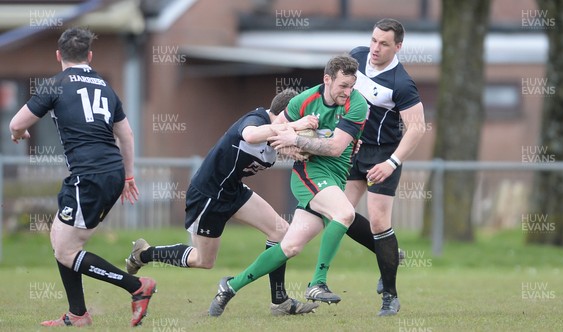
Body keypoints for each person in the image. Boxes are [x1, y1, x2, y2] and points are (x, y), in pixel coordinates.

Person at [124, 88, 320, 316]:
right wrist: (293, 127)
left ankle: (280, 302)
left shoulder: (277, 132)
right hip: (208, 195)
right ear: (287, 113)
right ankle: (144, 253)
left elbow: (278, 144)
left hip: (233, 191)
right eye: (297, 115)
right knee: (204, 260)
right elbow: (250, 135)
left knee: (280, 231)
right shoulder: (257, 120)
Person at [8, 27, 156, 327]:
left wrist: (19, 132)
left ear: (58, 55)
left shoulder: (55, 85)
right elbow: (125, 134)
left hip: (90, 175)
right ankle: (78, 313)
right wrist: (129, 176)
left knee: (65, 249)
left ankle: (136, 286)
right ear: (90, 55)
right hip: (109, 172)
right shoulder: (104, 85)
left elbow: (16, 123)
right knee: (61, 241)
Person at [208, 54, 368, 317]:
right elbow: (275, 131)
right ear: (327, 80)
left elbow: (336, 148)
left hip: (335, 176)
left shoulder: (357, 104)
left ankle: (230, 286)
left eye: (352, 86)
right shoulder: (302, 102)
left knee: (291, 247)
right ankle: (318, 282)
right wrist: (291, 146)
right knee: (345, 213)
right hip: (310, 173)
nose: (348, 91)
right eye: (343, 86)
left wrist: (297, 140)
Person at [324, 18, 426, 316]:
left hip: (383, 154)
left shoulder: (401, 84)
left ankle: (390, 296)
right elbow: (334, 90)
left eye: (384, 43)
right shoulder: (355, 58)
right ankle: (390, 253)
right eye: (373, 40)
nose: (375, 48)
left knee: (380, 222)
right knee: (337, 214)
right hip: (352, 148)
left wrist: (392, 163)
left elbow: (417, 128)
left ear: (398, 47)